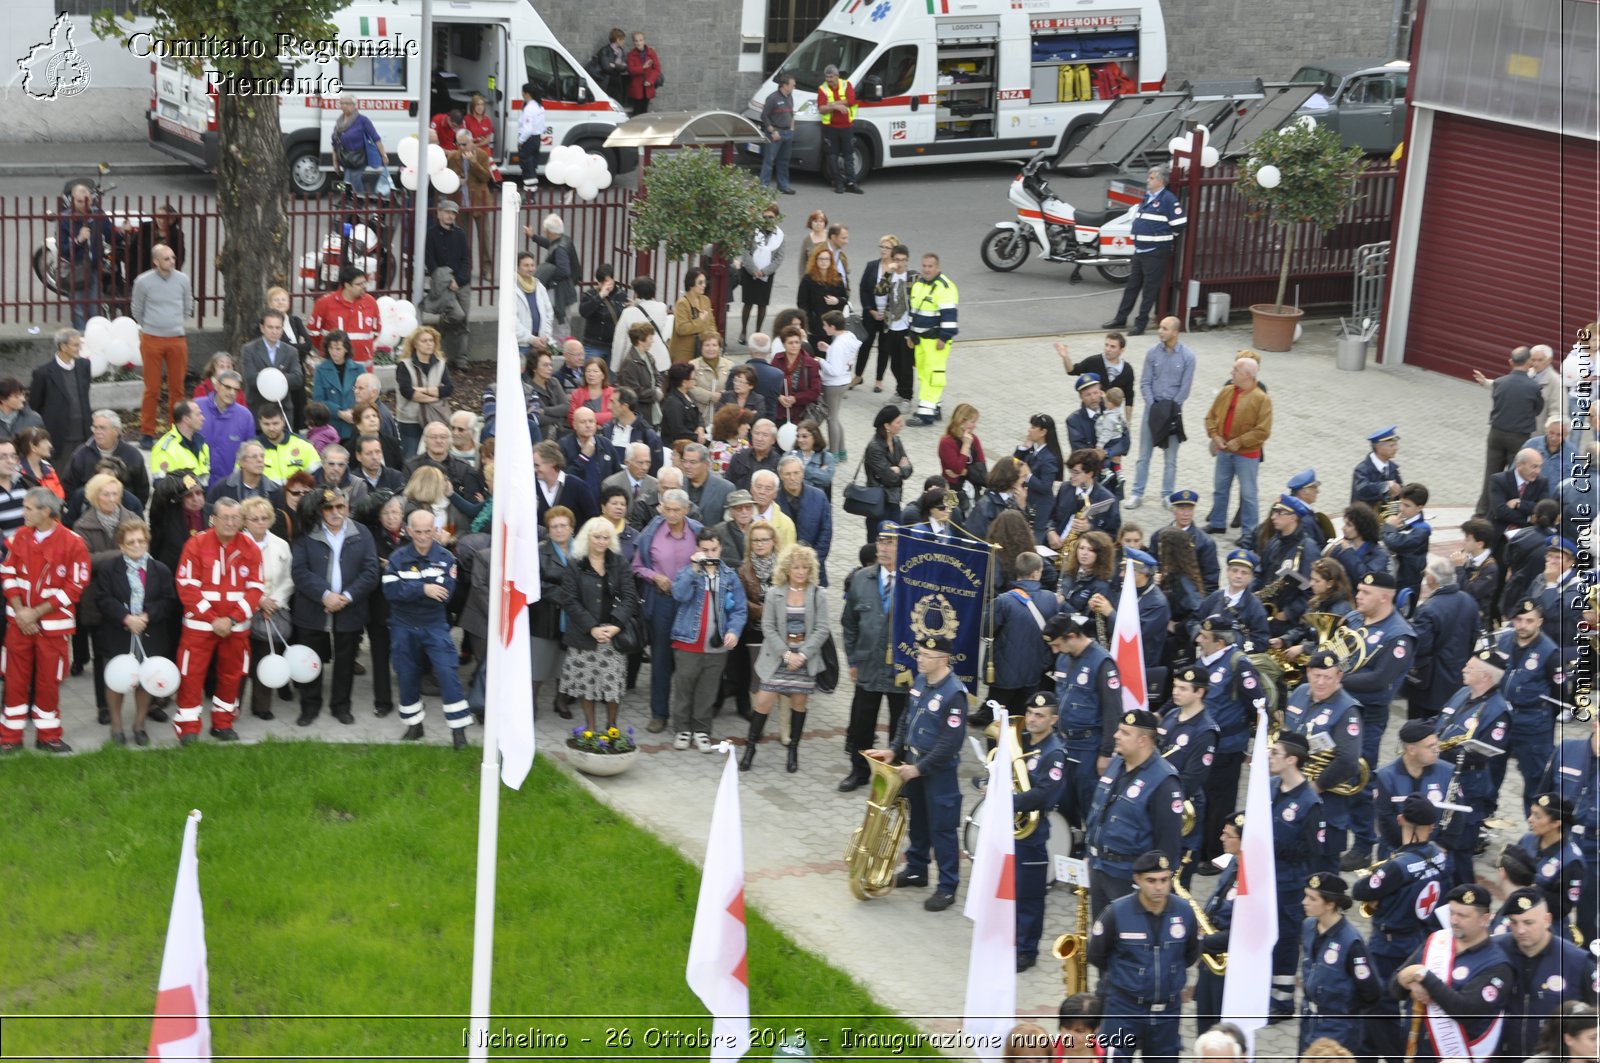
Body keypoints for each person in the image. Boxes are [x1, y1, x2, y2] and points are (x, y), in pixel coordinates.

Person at [866, 635, 966, 911]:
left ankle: (947, 887)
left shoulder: (954, 694)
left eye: (925, 655)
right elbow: (906, 719)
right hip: (912, 765)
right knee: (917, 821)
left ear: (943, 660)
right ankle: (917, 869)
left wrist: (919, 768)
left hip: (937, 773)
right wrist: (894, 749)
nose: (919, 659)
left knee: (943, 829)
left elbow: (949, 744)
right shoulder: (922, 680)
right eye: (919, 654)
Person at [1350, 793, 1449, 1061]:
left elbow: (1359, 890)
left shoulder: (1397, 866)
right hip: (1420, 939)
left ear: (1400, 820)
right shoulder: (1439, 857)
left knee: (1378, 1007)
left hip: (1388, 945)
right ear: (1431, 826)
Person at [1328, 572, 1416, 869]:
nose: (1358, 596)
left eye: (1366, 592)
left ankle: (1364, 844)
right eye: (1359, 590)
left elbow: (1380, 680)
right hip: (1337, 706)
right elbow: (1334, 651)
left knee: (1358, 778)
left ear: (1384, 597)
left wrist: (1336, 678)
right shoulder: (1353, 619)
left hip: (1367, 714)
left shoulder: (1399, 635)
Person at [1086, 849, 1198, 1063]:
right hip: (1124, 1008)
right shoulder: (1117, 912)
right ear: (1137, 879)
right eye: (1152, 880)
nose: (1159, 887)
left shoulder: (1184, 912)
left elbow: (1190, 954)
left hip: (1167, 1011)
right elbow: (1097, 955)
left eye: (1165, 880)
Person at [0, 489, 90, 754]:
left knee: (49, 682)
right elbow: (8, 575)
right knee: (15, 681)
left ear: (46, 512)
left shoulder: (73, 543)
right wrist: (21, 613)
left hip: (52, 629)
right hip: (19, 625)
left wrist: (34, 614)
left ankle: (48, 735)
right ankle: (9, 737)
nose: (23, 513)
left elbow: (74, 587)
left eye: (28, 509)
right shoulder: (18, 538)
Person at [1389, 884, 1516, 1063]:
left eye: (1462, 915)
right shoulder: (1438, 941)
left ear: (1484, 918)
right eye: (1452, 913)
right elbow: (1395, 988)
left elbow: (1466, 1012)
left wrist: (1424, 975)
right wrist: (1406, 979)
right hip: (1416, 1053)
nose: (1454, 920)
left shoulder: (1497, 966)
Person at [171, 497, 262, 744]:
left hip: (236, 628)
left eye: (236, 518)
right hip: (200, 627)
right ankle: (188, 727)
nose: (231, 523)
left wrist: (232, 619)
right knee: (191, 675)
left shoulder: (250, 547)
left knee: (232, 676)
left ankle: (222, 723)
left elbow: (255, 588)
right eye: (226, 517)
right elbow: (187, 586)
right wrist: (213, 619)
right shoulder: (196, 544)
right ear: (213, 519)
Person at [289, 486, 379, 728]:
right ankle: (309, 706)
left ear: (348, 507)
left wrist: (346, 597)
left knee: (346, 660)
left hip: (350, 608)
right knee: (310, 660)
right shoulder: (307, 533)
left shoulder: (362, 533)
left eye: (340, 506)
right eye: (329, 508)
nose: (335, 512)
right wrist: (325, 595)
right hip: (312, 608)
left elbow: (371, 572)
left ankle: (341, 706)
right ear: (320, 511)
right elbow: (299, 571)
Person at [1085, 708, 1185, 917]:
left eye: (1124, 732)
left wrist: (1153, 883)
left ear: (1143, 740)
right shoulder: (1116, 764)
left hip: (1129, 877)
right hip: (1100, 867)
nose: (1116, 736)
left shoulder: (1164, 781)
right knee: (1102, 934)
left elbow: (1168, 843)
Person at [383, 507, 470, 747]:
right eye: (418, 532)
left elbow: (446, 594)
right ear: (409, 531)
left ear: (435, 531)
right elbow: (390, 591)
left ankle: (458, 731)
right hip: (403, 626)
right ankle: (414, 726)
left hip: (434, 625)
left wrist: (411, 590)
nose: (422, 537)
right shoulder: (397, 558)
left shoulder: (446, 558)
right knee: (407, 675)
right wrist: (424, 589)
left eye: (428, 531)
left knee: (447, 673)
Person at [1186, 616, 1270, 865]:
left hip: (1226, 748)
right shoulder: (1203, 661)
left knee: (1220, 803)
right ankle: (1199, 849)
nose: (1198, 639)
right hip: (1201, 745)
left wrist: (1250, 740)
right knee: (1202, 798)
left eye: (1204, 637)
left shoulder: (1238, 664)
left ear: (1220, 642)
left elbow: (1257, 702)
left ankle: (1216, 855)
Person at [740, 542, 825, 771]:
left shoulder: (818, 594)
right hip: (779, 656)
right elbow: (768, 627)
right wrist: (786, 654)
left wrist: (803, 655)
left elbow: (822, 629)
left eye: (804, 568)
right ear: (787, 568)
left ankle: (793, 750)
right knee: (763, 701)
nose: (800, 572)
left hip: (804, 658)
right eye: (796, 567)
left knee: (798, 703)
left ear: (810, 570)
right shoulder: (775, 594)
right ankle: (750, 748)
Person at [93, 518, 177, 747]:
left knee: (145, 680)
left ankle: (139, 725)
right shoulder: (110, 568)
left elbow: (168, 600)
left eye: (141, 541)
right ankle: (117, 725)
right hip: (119, 632)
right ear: (121, 545)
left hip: (150, 633)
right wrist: (126, 617)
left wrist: (146, 616)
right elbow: (103, 598)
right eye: (131, 542)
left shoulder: (160, 570)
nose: (137, 545)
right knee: (117, 681)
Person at [1433, 649, 1513, 887]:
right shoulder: (1462, 693)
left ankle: (1467, 903)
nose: (1463, 669)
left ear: (1486, 677)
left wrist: (1440, 750)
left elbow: (1481, 754)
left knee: (1459, 852)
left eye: (1470, 667)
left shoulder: (1499, 712)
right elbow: (1440, 723)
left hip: (1468, 789)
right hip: (1442, 777)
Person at [1278, 649, 1362, 871]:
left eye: (1328, 677)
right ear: (1308, 672)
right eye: (1317, 676)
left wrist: (1314, 787)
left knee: (1320, 869)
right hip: (1291, 792)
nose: (1321, 682)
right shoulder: (1300, 692)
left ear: (1339, 677)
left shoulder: (1347, 710)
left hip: (1325, 804)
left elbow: (1348, 761)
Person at [1265, 731, 1328, 1019]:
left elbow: (1312, 849)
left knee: (1286, 941)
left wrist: (1272, 844)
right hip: (1264, 879)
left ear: (1292, 759)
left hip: (1289, 885)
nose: (1270, 755)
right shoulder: (1270, 786)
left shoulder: (1310, 803)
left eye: (1275, 752)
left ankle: (1283, 1000)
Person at [839, 534, 909, 791]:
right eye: (881, 542)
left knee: (900, 724)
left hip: (901, 668)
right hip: (868, 663)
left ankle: (895, 774)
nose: (884, 549)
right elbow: (849, 623)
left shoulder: (913, 580)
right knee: (862, 723)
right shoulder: (861, 578)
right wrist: (853, 659)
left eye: (891, 543)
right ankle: (859, 771)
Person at [557, 516, 638, 732]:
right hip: (585, 635)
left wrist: (616, 625)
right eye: (597, 537)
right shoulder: (575, 564)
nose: (601, 542)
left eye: (606, 537)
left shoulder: (619, 563)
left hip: (613, 635)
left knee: (613, 686)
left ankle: (612, 726)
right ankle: (590, 727)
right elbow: (569, 599)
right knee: (586, 685)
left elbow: (631, 597)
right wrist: (591, 627)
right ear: (587, 537)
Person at [1496, 889, 1598, 1060]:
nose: (1520, 930)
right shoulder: (1496, 951)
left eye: (1528, 922)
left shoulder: (1576, 961)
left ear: (1547, 920)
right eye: (1514, 923)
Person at [1009, 693, 1069, 971]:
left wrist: (1007, 800)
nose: (1032, 719)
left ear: (1053, 720)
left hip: (1031, 833)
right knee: (1009, 889)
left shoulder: (1054, 753)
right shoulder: (1019, 741)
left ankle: (1027, 950)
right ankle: (1008, 939)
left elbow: (1045, 794)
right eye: (1030, 713)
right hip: (1010, 828)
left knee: (1030, 895)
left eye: (1040, 715)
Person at [1297, 873, 1379, 1054]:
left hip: (1337, 1029)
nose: (1304, 902)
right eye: (1305, 895)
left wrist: (1345, 1012)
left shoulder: (1351, 942)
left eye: (1312, 898)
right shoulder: (1308, 926)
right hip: (1309, 1020)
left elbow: (1371, 992)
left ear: (1330, 904)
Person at [1103, 166, 1186, 336]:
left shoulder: (1169, 199)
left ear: (1161, 181)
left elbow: (1179, 224)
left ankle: (1140, 324)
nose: (1148, 180)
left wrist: (1163, 237)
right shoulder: (1148, 197)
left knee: (1149, 289)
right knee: (1132, 286)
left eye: (1151, 178)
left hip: (1155, 252)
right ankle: (1120, 318)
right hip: (1141, 250)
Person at [130, 243, 195, 448]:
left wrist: (174, 323)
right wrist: (151, 326)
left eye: (173, 257)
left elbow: (187, 305)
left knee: (178, 388)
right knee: (152, 388)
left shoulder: (182, 280)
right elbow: (137, 309)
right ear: (156, 261)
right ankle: (147, 433)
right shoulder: (143, 281)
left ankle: (176, 430)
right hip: (151, 339)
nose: (172, 261)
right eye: (167, 258)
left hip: (177, 339)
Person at [1127, 318, 1196, 510]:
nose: (1160, 331)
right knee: (1143, 455)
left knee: (1171, 458)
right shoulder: (1152, 353)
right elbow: (1145, 382)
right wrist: (1153, 405)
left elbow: (1185, 388)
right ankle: (1137, 493)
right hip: (1152, 410)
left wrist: (1171, 408)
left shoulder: (1188, 357)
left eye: (1164, 328)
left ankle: (1167, 494)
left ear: (1175, 332)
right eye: (1160, 327)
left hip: (1173, 413)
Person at [1204, 357, 1271, 548]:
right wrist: (1215, 436)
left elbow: (1263, 431)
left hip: (1247, 455)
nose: (1231, 373)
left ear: (1248, 375)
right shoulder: (1227, 391)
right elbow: (1210, 416)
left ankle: (1249, 533)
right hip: (1224, 449)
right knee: (1220, 488)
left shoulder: (1261, 399)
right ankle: (1217, 523)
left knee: (1248, 494)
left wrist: (1240, 441)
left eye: (1235, 370)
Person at [1473, 345, 1547, 517]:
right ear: (1529, 363)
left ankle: (1481, 512)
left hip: (1496, 433)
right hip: (1519, 436)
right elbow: (1537, 410)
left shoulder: (1500, 382)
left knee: (1491, 474)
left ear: (1510, 362)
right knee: (1516, 477)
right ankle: (1506, 512)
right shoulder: (1534, 387)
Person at [986, 553, 1061, 715]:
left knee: (998, 722)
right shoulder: (1051, 599)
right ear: (1035, 573)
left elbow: (986, 629)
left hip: (1002, 675)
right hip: (1034, 673)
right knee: (1022, 719)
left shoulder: (1003, 601)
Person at [1403, 556, 1478, 718]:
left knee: (1420, 729)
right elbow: (1474, 637)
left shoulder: (1429, 608)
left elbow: (1421, 647)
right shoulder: (1468, 600)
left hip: (1429, 684)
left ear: (1431, 579)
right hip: (1458, 678)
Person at [1518, 793, 1586, 939]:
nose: (1530, 819)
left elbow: (1563, 907)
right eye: (1531, 813)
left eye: (1537, 816)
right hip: (1518, 916)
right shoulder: (1527, 840)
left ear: (1556, 823)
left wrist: (1531, 889)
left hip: (1548, 929)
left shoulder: (1571, 861)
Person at [56, 179, 120, 329]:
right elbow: (63, 250)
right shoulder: (65, 219)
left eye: (88, 200)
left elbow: (111, 236)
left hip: (94, 267)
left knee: (94, 307)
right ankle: (81, 339)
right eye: (80, 201)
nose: (85, 204)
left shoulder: (98, 215)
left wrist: (123, 231)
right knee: (78, 309)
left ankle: (94, 337)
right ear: (73, 201)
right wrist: (78, 240)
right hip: (76, 268)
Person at [907, 253, 958, 425]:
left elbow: (950, 316)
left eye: (930, 266)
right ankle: (934, 406)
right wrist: (910, 334)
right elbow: (913, 312)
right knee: (923, 373)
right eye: (924, 266)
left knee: (933, 375)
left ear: (937, 267)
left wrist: (944, 338)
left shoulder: (945, 287)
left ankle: (925, 413)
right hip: (921, 340)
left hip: (936, 341)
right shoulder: (919, 285)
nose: (927, 269)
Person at [422, 200, 472, 371]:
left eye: (453, 213)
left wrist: (459, 280)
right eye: (447, 212)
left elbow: (466, 259)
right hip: (443, 284)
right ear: (439, 213)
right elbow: (430, 261)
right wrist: (446, 279)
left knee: (464, 321)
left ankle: (462, 359)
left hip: (462, 283)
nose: (450, 216)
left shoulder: (460, 234)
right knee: (457, 315)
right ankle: (439, 345)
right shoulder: (431, 234)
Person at [62, 409, 149, 506]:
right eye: (95, 428)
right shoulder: (81, 454)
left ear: (116, 431)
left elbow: (142, 489)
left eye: (102, 428)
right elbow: (68, 487)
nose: (98, 432)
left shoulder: (132, 455)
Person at [30, 328, 94, 461]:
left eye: (80, 344)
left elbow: (84, 395)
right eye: (76, 345)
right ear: (63, 347)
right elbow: (35, 406)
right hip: (58, 437)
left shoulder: (84, 365)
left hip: (83, 433)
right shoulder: (43, 373)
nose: (79, 348)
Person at [446, 130, 495, 281]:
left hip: (479, 201)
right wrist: (455, 180)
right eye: (458, 144)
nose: (461, 147)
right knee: (463, 238)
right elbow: (447, 176)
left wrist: (473, 162)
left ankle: (487, 269)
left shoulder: (482, 155)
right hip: (461, 202)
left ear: (471, 141)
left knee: (484, 238)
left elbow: (486, 177)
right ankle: (466, 268)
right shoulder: (453, 157)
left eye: (464, 144)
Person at [1059, 332, 1138, 420]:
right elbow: (1072, 370)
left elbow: (1129, 397)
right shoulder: (1093, 361)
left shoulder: (1127, 370)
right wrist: (1065, 357)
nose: (1108, 349)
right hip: (1091, 414)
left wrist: (1128, 422)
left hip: (1112, 417)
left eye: (1113, 346)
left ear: (1121, 350)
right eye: (1106, 345)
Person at [862, 404, 912, 542]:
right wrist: (900, 470)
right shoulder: (875, 448)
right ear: (887, 426)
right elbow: (889, 478)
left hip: (894, 500)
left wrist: (898, 470)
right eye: (898, 422)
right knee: (878, 541)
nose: (902, 424)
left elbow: (909, 468)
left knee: (895, 541)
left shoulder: (896, 441)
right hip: (879, 503)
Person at [253, 407, 320, 485]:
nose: (271, 428)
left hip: (298, 495)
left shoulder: (303, 445)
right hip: (264, 496)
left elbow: (317, 475)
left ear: (283, 422)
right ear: (259, 423)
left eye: (275, 423)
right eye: (266, 424)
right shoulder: (252, 448)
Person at [330, 96, 384, 192]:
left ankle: (356, 199)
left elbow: (376, 138)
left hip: (359, 158)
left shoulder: (362, 120)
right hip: (345, 158)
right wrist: (335, 162)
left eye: (347, 103)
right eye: (342, 103)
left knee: (352, 180)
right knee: (347, 181)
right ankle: (354, 198)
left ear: (354, 106)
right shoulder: (339, 122)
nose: (344, 106)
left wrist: (384, 155)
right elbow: (334, 143)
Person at [579, 265, 629, 364]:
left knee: (611, 378)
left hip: (614, 345)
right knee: (592, 373)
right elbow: (583, 312)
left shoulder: (621, 295)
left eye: (608, 281)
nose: (606, 285)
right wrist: (600, 296)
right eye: (602, 282)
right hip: (594, 344)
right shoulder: (590, 294)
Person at [758, 74, 797, 194]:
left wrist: (791, 129)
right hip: (775, 133)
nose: (794, 87)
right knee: (769, 160)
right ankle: (763, 187)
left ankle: (783, 186)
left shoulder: (790, 97)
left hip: (787, 133)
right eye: (792, 85)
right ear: (784, 85)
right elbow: (764, 116)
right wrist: (772, 131)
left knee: (784, 161)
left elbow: (791, 114)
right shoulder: (772, 98)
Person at [668, 270, 716, 365]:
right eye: (700, 282)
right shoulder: (682, 303)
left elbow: (711, 324)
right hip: (685, 354)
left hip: (703, 350)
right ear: (691, 284)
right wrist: (700, 320)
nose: (704, 285)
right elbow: (681, 329)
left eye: (705, 282)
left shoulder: (705, 300)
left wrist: (712, 341)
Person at [515, 81, 546, 189]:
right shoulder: (539, 106)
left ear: (527, 93)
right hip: (536, 139)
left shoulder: (529, 109)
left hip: (529, 140)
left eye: (523, 92)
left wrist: (520, 141)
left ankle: (529, 196)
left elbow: (527, 129)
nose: (522, 94)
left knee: (527, 168)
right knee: (532, 167)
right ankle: (531, 194)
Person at [624, 31, 662, 117]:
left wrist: (650, 80)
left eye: (640, 40)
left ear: (644, 41)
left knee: (644, 111)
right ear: (634, 42)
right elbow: (630, 70)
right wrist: (643, 67)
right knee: (637, 111)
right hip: (637, 87)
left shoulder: (651, 53)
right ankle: (635, 129)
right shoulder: (631, 55)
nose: (638, 43)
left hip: (648, 86)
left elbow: (656, 68)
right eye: (636, 41)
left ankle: (643, 129)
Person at [0, 377, 46, 444]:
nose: (23, 399)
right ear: (2, 399)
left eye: (23, 395)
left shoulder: (34, 418)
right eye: (17, 396)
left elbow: (42, 445)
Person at [595, 29, 629, 104]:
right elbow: (606, 67)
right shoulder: (605, 50)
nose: (624, 41)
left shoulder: (621, 52)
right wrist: (619, 67)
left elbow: (625, 68)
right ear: (618, 39)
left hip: (617, 82)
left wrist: (614, 66)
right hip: (606, 82)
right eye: (623, 39)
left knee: (617, 103)